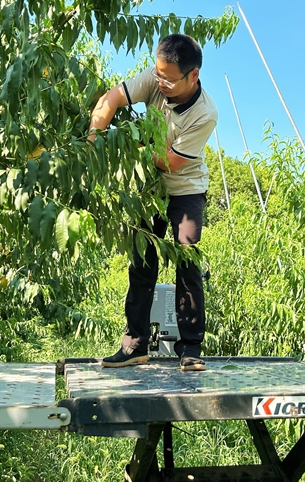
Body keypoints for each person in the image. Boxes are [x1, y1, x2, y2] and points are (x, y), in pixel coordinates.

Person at [88, 34, 217, 372]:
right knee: (141, 263)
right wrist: (92, 141)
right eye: (157, 74)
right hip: (150, 190)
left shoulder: (205, 114)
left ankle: (190, 349)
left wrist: (124, 147)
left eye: (169, 78)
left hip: (186, 188)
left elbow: (171, 162)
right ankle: (134, 346)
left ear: (193, 75)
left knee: (186, 260)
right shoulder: (156, 78)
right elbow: (111, 99)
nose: (160, 83)